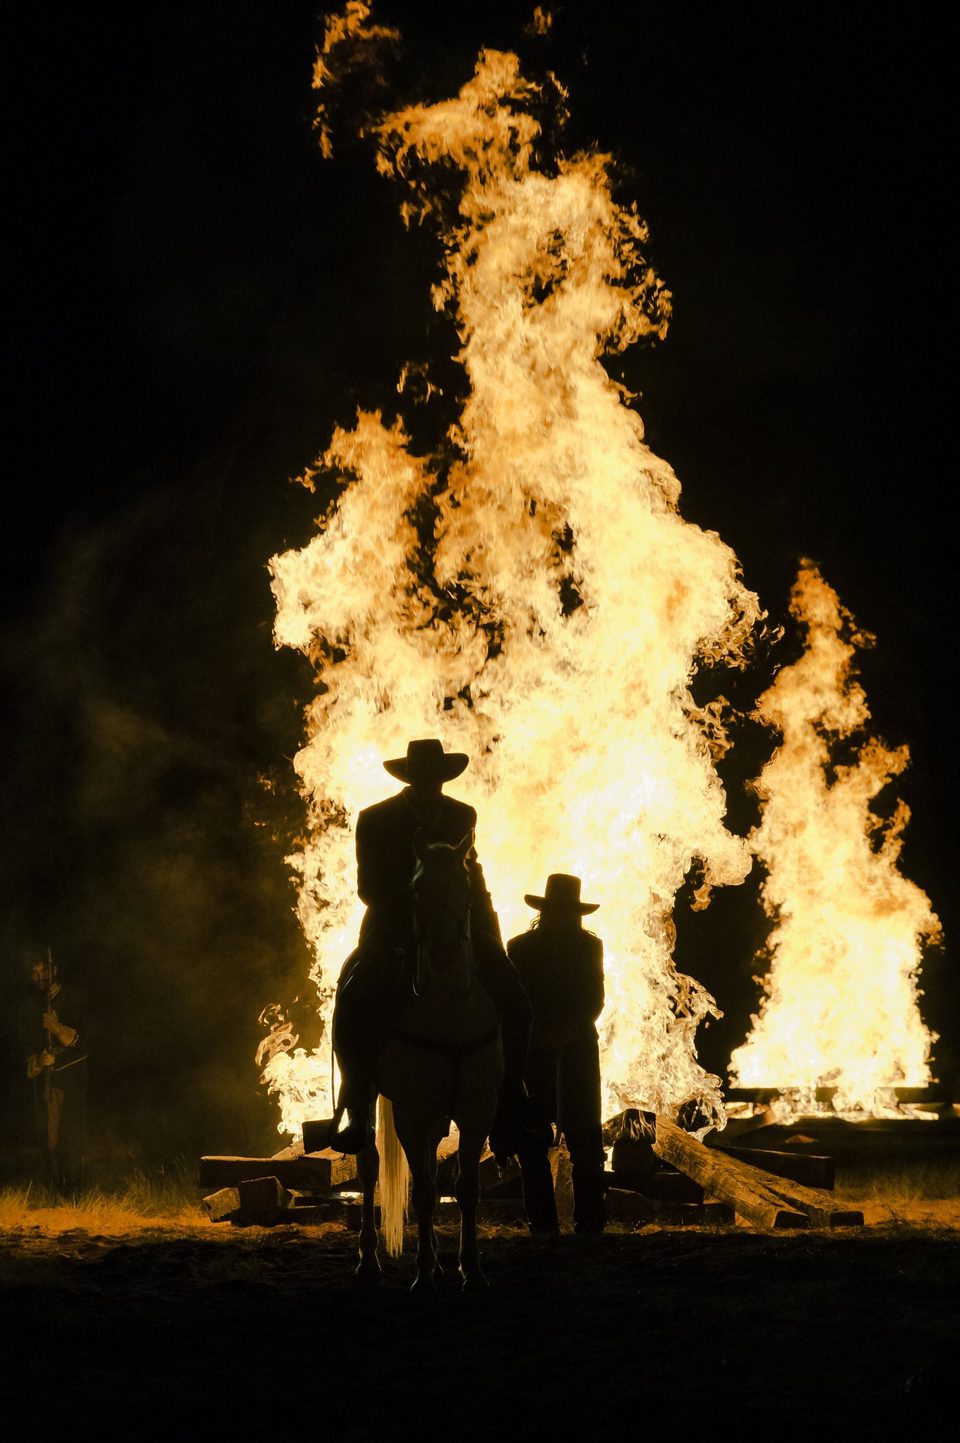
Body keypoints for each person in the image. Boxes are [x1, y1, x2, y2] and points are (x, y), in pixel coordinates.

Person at [328, 737, 531, 1153]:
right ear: (411, 777)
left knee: (515, 998)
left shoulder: (463, 815)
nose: (430, 783)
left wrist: (488, 931)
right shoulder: (376, 819)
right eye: (423, 776)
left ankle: (512, 1095)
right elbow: (369, 888)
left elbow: (474, 876)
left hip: (460, 925)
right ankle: (357, 1106)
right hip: (395, 926)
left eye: (435, 777)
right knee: (357, 996)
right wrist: (422, 900)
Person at [506, 874, 607, 1236]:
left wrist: (569, 1027)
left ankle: (589, 1223)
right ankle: (544, 1225)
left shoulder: (587, 948)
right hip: (535, 1053)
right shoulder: (518, 948)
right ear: (548, 912)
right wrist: (540, 1030)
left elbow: (594, 998)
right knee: (532, 1143)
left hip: (577, 1049)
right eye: (561, 911)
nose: (566, 918)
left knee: (585, 1143)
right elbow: (516, 1002)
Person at [23, 948, 89, 1193]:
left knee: (71, 1140)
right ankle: (53, 1189)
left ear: (55, 971)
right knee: (48, 1140)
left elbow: (84, 1042)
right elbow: (28, 1059)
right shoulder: (32, 1008)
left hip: (72, 1081)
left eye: (44, 971)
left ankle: (74, 1192)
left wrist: (58, 1028)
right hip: (48, 1085)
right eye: (34, 972)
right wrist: (41, 1061)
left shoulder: (74, 999)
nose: (39, 977)